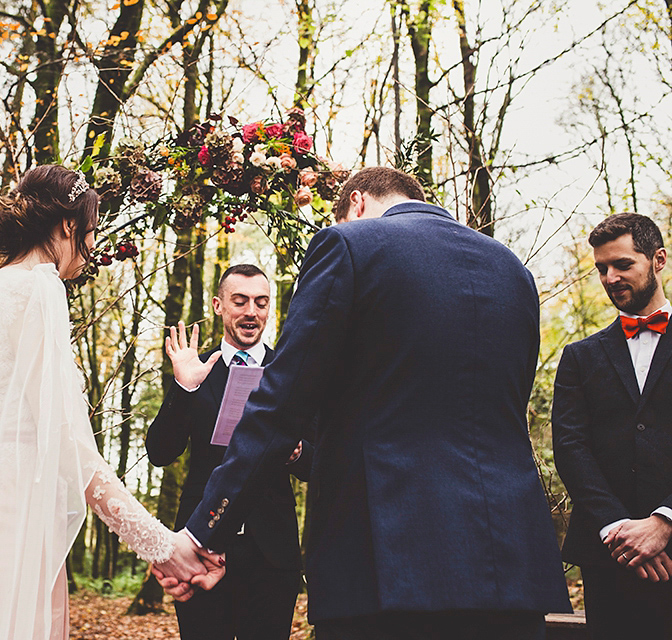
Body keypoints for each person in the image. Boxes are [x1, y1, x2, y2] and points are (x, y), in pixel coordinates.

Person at [156, 167, 572, 638]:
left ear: (354, 204)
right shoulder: (511, 268)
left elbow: (279, 407)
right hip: (512, 561)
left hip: (388, 559)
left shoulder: (351, 244)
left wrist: (200, 533)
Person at [0, 165, 223, 640]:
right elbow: (69, 445)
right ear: (69, 226)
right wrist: (162, 545)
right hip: (6, 527)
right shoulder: (38, 286)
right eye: (90, 232)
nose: (91, 247)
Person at [146, 264, 312, 640]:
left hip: (272, 552)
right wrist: (184, 389)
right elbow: (159, 452)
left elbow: (318, 463)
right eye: (240, 301)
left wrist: (296, 452)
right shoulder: (195, 366)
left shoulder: (290, 373)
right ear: (220, 306)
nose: (251, 311)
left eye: (261, 302)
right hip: (200, 547)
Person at [552, 212, 672, 638]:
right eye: (602, 268)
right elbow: (570, 447)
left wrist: (664, 521)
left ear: (658, 260)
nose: (610, 277)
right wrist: (618, 529)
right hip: (609, 555)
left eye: (623, 264)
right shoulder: (579, 357)